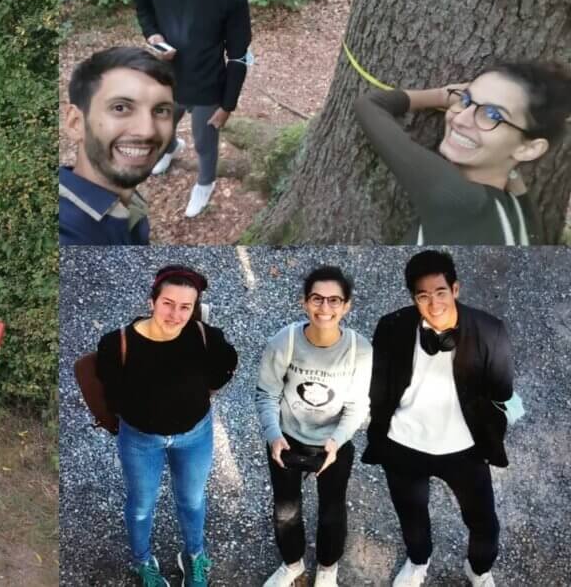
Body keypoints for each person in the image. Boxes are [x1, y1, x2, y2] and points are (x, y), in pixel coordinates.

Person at [363, 250, 513, 587]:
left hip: (465, 450)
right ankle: (418, 562)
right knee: (411, 515)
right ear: (414, 298)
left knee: (484, 522)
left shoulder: (490, 331)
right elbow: (379, 388)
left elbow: (502, 391)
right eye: (423, 296)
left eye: (441, 292)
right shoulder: (392, 327)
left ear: (455, 289)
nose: (434, 304)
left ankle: (478, 571)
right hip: (403, 445)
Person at [95, 265, 238, 586]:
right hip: (140, 440)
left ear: (194, 308)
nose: (175, 314)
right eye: (168, 303)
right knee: (142, 504)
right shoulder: (117, 343)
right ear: (152, 302)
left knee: (192, 499)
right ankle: (143, 562)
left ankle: (194, 555)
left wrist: (205, 392)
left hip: (195, 436)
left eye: (185, 307)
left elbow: (227, 364)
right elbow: (111, 393)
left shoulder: (204, 337)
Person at [354, 61, 571, 244]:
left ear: (529, 148)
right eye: (465, 100)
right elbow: (514, 176)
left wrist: (440, 95)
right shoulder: (521, 214)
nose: (459, 118)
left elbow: (370, 105)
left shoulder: (456, 197)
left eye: (493, 115)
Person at [255, 266, 373, 587]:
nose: (325, 308)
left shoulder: (359, 350)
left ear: (347, 306)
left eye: (335, 300)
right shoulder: (285, 341)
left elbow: (357, 405)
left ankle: (327, 569)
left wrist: (336, 441)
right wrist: (273, 435)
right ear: (304, 303)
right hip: (288, 440)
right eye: (317, 299)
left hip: (332, 446)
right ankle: (292, 564)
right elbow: (267, 393)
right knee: (285, 510)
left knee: (332, 511)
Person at [132, 0, 252, 217]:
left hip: (207, 85)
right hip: (166, 76)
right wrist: (153, 36)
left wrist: (227, 106)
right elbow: (142, 3)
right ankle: (171, 149)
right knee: (161, 126)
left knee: (204, 140)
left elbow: (238, 55)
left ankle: (205, 182)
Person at [60, 47, 176, 245]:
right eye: (120, 108)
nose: (147, 131)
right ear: (75, 123)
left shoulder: (127, 204)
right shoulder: (66, 230)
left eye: (161, 110)